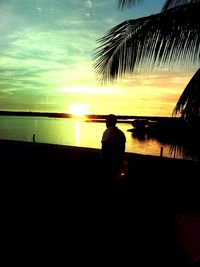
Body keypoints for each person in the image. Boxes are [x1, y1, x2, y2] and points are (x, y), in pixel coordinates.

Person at [101, 114, 126, 180]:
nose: (105, 123)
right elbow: (122, 149)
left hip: (109, 163)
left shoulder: (107, 132)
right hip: (118, 162)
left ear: (108, 122)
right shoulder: (121, 133)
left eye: (106, 121)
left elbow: (104, 149)